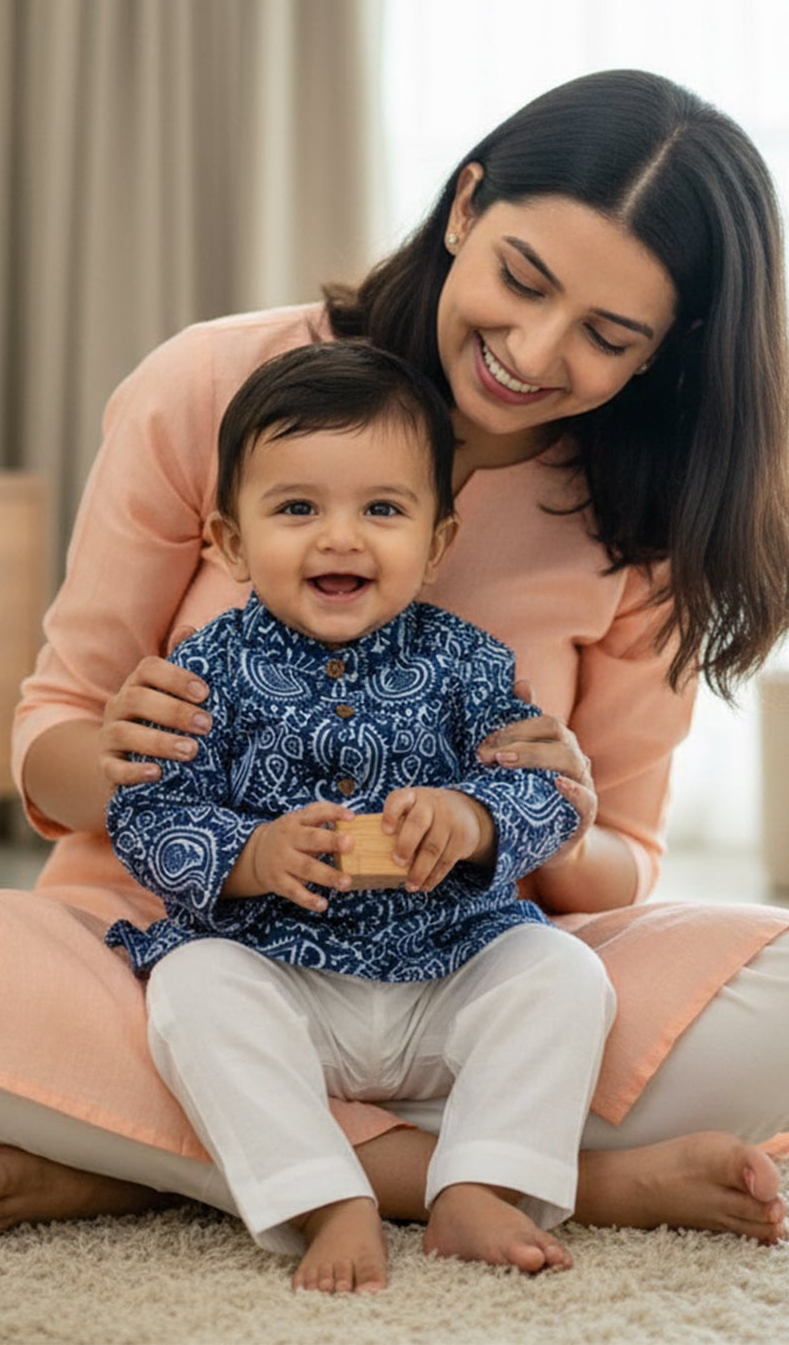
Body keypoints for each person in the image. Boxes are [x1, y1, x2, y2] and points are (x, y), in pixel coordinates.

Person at [0, 69, 789, 1260]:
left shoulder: (648, 516)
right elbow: (58, 740)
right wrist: (104, 752)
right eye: (523, 279)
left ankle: (156, 1156)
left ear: (663, 352)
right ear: (467, 205)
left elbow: (624, 864)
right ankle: (520, 1176)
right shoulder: (212, 387)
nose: (531, 350)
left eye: (606, 335)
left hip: (464, 972)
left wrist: (547, 821)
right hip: (186, 946)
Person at [112, 343, 615, 1291]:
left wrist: (473, 818)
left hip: (450, 970)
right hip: (282, 975)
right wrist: (250, 854)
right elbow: (146, 814)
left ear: (436, 542)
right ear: (228, 543)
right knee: (189, 986)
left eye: (382, 509)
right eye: (297, 508)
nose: (340, 538)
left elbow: (550, 791)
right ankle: (326, 1196)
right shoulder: (202, 672)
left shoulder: (471, 664)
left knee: (562, 972)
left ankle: (479, 1185)